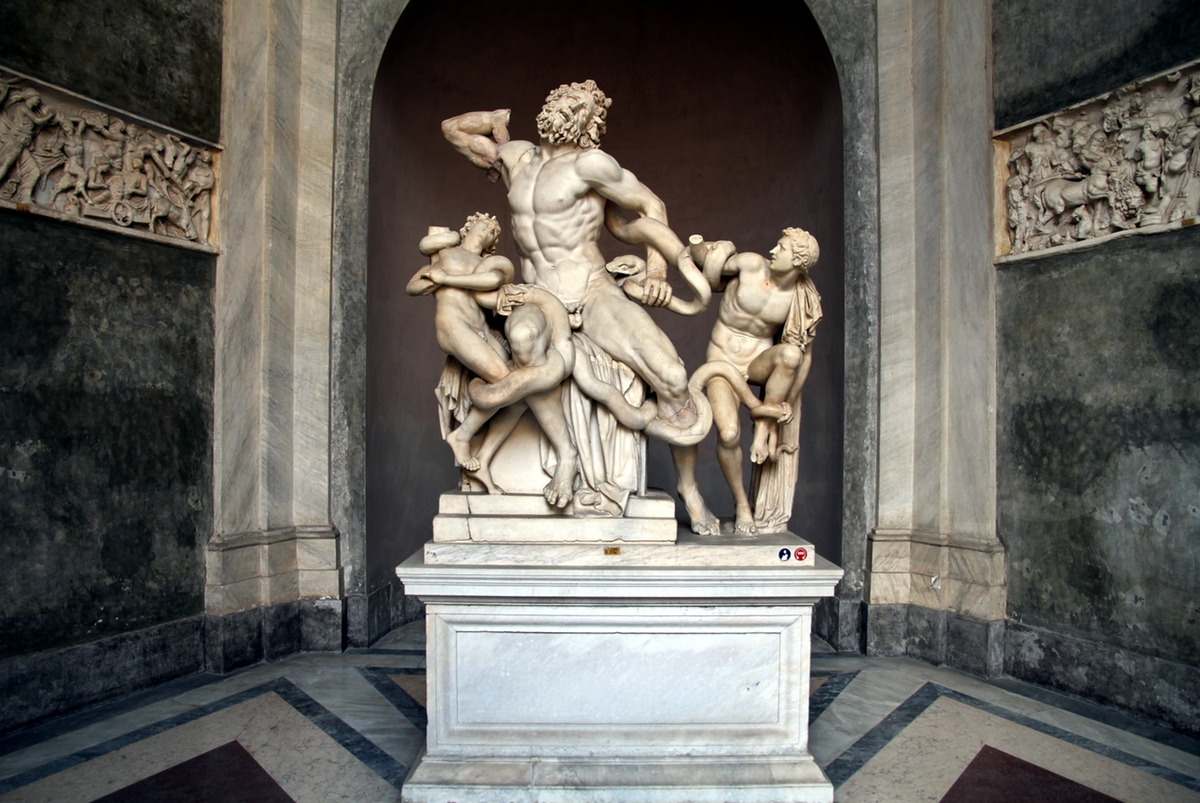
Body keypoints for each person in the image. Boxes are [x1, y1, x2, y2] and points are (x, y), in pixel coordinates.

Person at [442, 80, 714, 522]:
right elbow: (454, 130)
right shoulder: (516, 157)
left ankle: (689, 487)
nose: (568, 108)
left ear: (590, 124)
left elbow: (652, 206)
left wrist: (657, 273)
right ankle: (566, 456)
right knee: (524, 340)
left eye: (580, 106)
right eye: (564, 99)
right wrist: (492, 121)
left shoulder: (591, 164)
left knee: (671, 374)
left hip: (592, 291)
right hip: (539, 295)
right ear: (548, 104)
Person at [406, 213, 579, 505]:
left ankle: (483, 459)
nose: (488, 230)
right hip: (453, 325)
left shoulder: (488, 265)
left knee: (519, 391)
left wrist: (447, 279)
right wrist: (432, 278)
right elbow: (413, 287)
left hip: (482, 331)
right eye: (483, 225)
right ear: (467, 227)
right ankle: (463, 436)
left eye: (493, 231)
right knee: (511, 383)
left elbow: (493, 282)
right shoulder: (446, 253)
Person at [678, 227, 823, 534]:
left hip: (757, 363)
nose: (773, 251)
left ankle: (765, 425)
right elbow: (706, 266)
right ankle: (742, 503)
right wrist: (712, 247)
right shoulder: (750, 264)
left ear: (798, 261)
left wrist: (786, 403)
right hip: (721, 363)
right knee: (729, 434)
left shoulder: (800, 298)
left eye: (782, 248)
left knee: (791, 355)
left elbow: (805, 356)